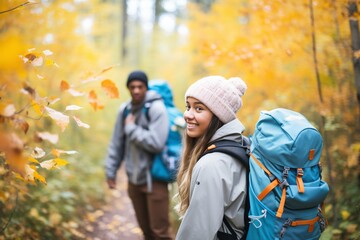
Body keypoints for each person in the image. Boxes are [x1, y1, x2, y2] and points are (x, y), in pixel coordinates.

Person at [175, 76, 248, 240]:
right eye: (188, 107)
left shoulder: (212, 164)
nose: (187, 115)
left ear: (218, 116)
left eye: (198, 109)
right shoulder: (241, 146)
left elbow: (197, 233)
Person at [105, 70, 173, 240]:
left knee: (161, 233)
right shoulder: (125, 110)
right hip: (134, 180)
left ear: (146, 87)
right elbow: (116, 143)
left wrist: (132, 129)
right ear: (128, 88)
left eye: (140, 86)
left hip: (155, 180)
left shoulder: (157, 108)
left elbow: (156, 143)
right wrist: (111, 170)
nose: (136, 90)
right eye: (132, 87)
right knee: (146, 233)